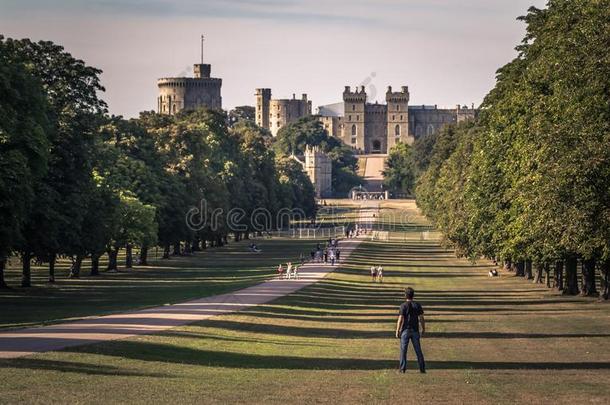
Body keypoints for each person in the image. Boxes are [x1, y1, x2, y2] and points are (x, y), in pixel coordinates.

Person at [395, 287, 426, 374]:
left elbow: (400, 319)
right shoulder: (417, 305)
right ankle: (422, 368)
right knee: (418, 350)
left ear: (405, 295)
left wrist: (397, 330)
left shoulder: (403, 306)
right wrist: (423, 328)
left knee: (403, 351)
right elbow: (421, 318)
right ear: (413, 295)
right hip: (415, 330)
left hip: (405, 330)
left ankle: (402, 369)